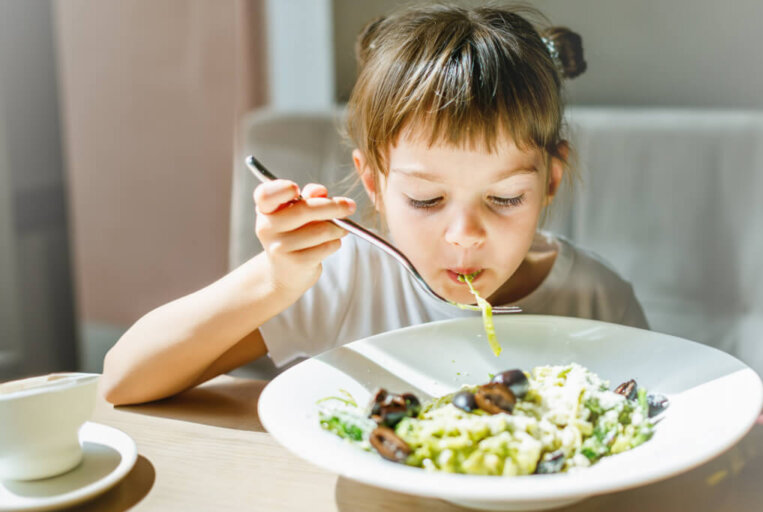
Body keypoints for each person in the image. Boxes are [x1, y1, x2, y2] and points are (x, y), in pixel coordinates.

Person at [100, 3, 648, 406]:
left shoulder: (597, 301)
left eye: (505, 198)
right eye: (425, 199)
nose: (465, 234)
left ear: (551, 180)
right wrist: (276, 280)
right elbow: (124, 379)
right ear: (374, 184)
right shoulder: (342, 281)